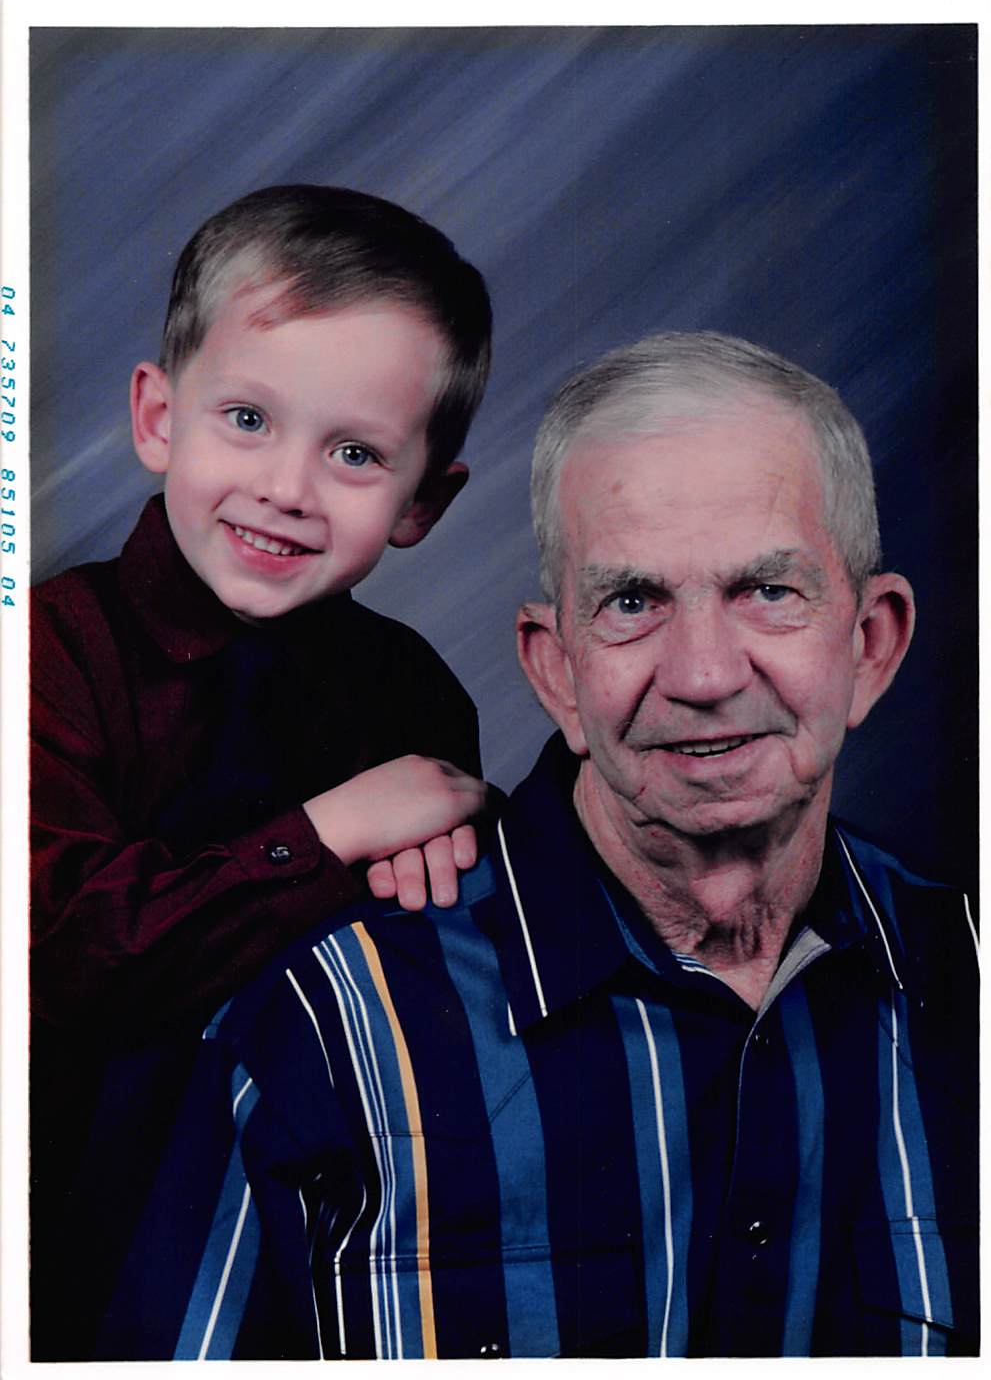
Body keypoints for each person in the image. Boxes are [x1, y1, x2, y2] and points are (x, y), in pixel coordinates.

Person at [98, 332, 978, 1359]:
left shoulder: (966, 973)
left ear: (871, 644)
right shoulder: (321, 1029)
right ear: (554, 669)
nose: (702, 673)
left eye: (766, 591)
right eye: (632, 602)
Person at [29, 184, 494, 1357]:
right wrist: (329, 833)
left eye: (354, 452)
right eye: (247, 418)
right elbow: (64, 955)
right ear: (156, 417)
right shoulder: (44, 653)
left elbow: (423, 985)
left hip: (294, 1248)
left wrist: (436, 860)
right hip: (40, 1240)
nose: (287, 486)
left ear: (423, 503)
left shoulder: (415, 700)